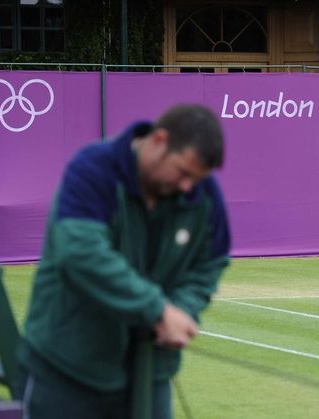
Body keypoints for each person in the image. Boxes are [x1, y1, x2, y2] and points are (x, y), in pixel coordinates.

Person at [15, 104, 230, 419]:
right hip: (66, 371)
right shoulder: (94, 168)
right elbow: (80, 254)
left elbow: (210, 264)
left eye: (196, 179)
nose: (188, 186)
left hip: (150, 374)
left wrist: (182, 309)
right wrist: (157, 310)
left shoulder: (203, 193)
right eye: (183, 172)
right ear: (159, 140)